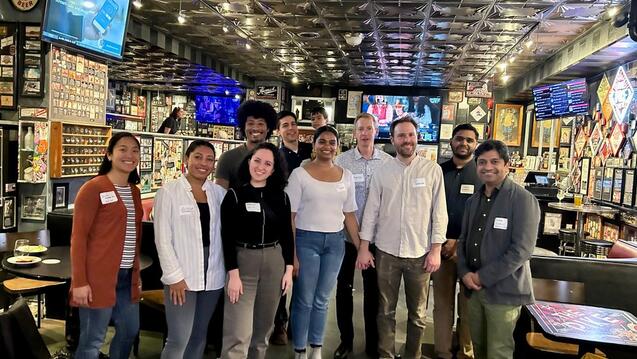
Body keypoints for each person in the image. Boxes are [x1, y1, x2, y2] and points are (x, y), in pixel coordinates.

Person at [357, 116, 447, 359]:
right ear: (393, 139)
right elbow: (371, 211)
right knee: (385, 310)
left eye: (410, 135)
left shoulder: (432, 171)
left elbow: (439, 213)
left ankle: (413, 355)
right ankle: (386, 355)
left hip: (421, 254)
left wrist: (436, 249)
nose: (406, 140)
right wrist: (364, 247)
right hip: (386, 252)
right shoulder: (382, 172)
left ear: (417, 137)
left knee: (418, 314)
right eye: (401, 135)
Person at [457, 140, 540, 359]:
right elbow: (463, 241)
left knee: (499, 352)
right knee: (479, 348)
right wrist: (464, 273)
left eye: (494, 161)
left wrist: (481, 277)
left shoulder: (523, 200)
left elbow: (521, 250)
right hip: (473, 291)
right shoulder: (473, 201)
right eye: (482, 162)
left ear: (506, 165)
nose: (488, 167)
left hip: (504, 292)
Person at [286, 125, 360, 359]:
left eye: (332, 142)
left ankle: (316, 347)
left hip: (335, 243)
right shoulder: (300, 174)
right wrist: (293, 253)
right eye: (322, 142)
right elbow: (291, 216)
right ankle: (300, 348)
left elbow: (349, 214)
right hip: (306, 240)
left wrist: (361, 247)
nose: (327, 146)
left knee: (322, 299)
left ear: (337, 147)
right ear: (314, 145)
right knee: (304, 298)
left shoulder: (345, 175)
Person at [71, 132, 142, 359]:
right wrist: (80, 282)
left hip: (127, 277)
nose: (129, 155)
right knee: (93, 339)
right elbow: (79, 238)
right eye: (123, 149)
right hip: (97, 278)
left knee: (130, 330)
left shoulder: (134, 191)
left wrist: (136, 272)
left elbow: (134, 236)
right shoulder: (93, 188)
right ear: (109, 154)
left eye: (135, 150)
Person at [220, 142, 294, 359]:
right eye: (257, 160)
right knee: (238, 333)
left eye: (268, 163)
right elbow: (227, 237)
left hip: (274, 263)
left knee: (262, 332)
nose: (261, 167)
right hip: (243, 264)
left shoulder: (281, 197)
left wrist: (288, 269)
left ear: (273, 169)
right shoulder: (234, 195)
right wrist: (233, 274)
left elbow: (287, 235)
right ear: (249, 162)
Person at [153, 140, 226, 358]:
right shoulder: (169, 192)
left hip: (213, 272)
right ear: (187, 159)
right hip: (181, 274)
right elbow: (163, 240)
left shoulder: (219, 193)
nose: (203, 163)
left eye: (209, 159)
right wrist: (174, 277)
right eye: (198, 157)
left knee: (198, 335)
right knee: (178, 338)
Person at [333, 113, 392, 359]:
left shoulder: (388, 162)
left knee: (374, 293)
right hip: (346, 238)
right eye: (361, 129)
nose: (365, 133)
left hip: (377, 240)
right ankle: (345, 340)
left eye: (369, 128)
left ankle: (372, 344)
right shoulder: (341, 161)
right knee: (344, 290)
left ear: (376, 131)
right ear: (354, 133)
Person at [433, 124, 482, 359]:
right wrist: (440, 242)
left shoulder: (482, 175)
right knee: (442, 305)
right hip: (439, 250)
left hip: (470, 252)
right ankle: (442, 351)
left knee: (468, 306)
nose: (464, 143)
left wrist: (458, 241)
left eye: (469, 140)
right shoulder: (437, 172)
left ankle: (466, 353)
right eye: (459, 139)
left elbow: (483, 215)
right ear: (451, 142)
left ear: (476, 144)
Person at [271, 110, 313, 345]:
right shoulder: (276, 157)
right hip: (284, 221)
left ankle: (298, 325)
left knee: (303, 279)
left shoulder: (311, 151)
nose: (291, 128)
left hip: (310, 221)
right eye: (285, 125)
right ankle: (279, 323)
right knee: (283, 274)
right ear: (279, 131)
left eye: (293, 124)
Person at [215, 100, 278, 189]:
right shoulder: (228, 158)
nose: (255, 128)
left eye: (260, 124)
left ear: (268, 128)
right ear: (243, 127)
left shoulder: (277, 158)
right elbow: (220, 195)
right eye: (250, 123)